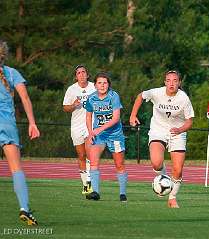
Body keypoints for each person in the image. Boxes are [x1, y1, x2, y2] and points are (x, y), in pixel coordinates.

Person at [129, 70, 194, 208]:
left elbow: (189, 122)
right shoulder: (157, 92)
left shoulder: (184, 98)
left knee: (178, 170)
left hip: (178, 132)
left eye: (175, 80)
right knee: (156, 163)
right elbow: (140, 96)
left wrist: (180, 130)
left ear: (179, 82)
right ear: (164, 82)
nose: (171, 83)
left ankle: (172, 197)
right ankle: (163, 179)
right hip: (158, 130)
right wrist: (133, 115)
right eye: (168, 80)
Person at [0, 39, 40, 225]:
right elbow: (25, 98)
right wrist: (32, 123)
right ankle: (24, 207)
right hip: (7, 124)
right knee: (16, 169)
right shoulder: (12, 73)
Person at [84, 72, 128, 202]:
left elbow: (116, 118)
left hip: (115, 135)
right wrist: (91, 132)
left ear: (108, 84)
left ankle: (122, 194)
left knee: (119, 164)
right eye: (99, 83)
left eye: (105, 83)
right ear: (95, 85)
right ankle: (95, 192)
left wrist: (99, 129)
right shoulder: (91, 98)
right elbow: (88, 116)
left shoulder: (113, 96)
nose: (102, 85)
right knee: (94, 162)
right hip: (100, 136)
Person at [63, 65, 96, 195]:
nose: (81, 75)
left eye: (83, 72)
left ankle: (89, 182)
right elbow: (65, 107)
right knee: (81, 155)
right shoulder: (71, 89)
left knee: (90, 153)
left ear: (87, 75)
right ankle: (85, 185)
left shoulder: (94, 87)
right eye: (78, 73)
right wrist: (73, 105)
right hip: (76, 126)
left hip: (91, 125)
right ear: (76, 76)